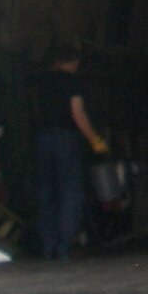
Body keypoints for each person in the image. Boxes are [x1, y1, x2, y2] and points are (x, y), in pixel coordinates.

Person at [33, 46, 109, 260]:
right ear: (75, 61)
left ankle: (48, 246)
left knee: (46, 193)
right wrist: (95, 140)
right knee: (70, 193)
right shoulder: (74, 82)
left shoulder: (42, 81)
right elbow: (78, 114)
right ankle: (65, 246)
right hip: (66, 139)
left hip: (43, 139)